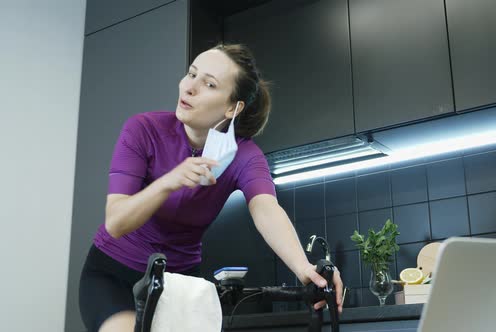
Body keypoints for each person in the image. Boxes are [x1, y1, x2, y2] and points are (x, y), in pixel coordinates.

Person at [78, 43, 344, 332]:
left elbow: (266, 208)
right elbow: (116, 222)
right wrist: (169, 181)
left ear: (233, 106)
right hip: (113, 274)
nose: (190, 88)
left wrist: (303, 267)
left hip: (180, 284)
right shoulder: (142, 129)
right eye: (191, 74)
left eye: (209, 84)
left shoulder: (244, 155)